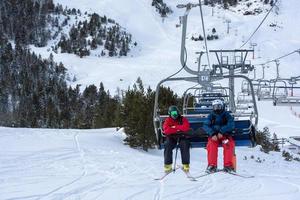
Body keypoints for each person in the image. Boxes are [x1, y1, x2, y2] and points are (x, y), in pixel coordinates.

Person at [203, 99, 235, 173]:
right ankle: (212, 165)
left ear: (222, 106)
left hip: (224, 136)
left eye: (219, 106)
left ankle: (228, 166)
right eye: (215, 107)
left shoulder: (226, 115)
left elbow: (231, 124)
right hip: (214, 136)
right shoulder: (211, 116)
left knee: (228, 144)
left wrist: (222, 131)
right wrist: (212, 133)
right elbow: (205, 125)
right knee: (211, 145)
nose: (217, 109)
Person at [163, 105, 191, 173]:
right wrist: (179, 129)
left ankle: (186, 164)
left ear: (178, 112)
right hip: (172, 138)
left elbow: (186, 127)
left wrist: (174, 127)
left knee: (185, 144)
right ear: (170, 114)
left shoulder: (183, 119)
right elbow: (166, 130)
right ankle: (168, 165)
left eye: (175, 113)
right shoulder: (168, 120)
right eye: (173, 113)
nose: (174, 115)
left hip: (182, 137)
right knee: (167, 145)